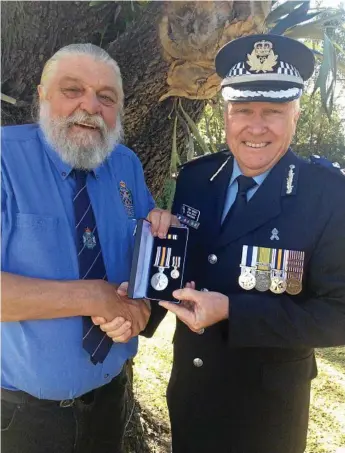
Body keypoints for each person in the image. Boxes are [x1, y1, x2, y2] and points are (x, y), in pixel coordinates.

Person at [156, 35, 345, 453]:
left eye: (273, 112)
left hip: (265, 414)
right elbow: (183, 270)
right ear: (226, 114)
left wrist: (232, 311)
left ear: (295, 114)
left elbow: (339, 314)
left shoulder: (328, 195)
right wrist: (158, 247)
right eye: (242, 110)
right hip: (190, 394)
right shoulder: (195, 180)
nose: (255, 126)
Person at [1, 43, 172, 453]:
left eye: (106, 97)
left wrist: (140, 304)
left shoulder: (126, 165)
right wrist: (91, 295)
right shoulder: (5, 158)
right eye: (72, 89)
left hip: (108, 405)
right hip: (19, 420)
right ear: (42, 95)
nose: (90, 107)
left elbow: (139, 263)